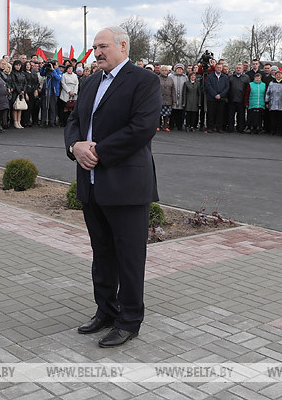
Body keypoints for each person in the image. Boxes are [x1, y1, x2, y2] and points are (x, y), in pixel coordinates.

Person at [64, 26, 160, 348]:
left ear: (122, 46)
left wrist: (97, 152)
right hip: (92, 184)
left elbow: (142, 128)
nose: (97, 52)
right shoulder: (90, 81)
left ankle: (130, 320)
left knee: (129, 257)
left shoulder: (143, 80)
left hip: (126, 185)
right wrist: (75, 146)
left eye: (103, 46)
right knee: (102, 253)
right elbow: (74, 121)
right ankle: (106, 310)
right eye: (94, 48)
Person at [204, 62, 229, 132]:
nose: (219, 69)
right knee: (211, 113)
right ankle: (210, 127)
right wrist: (215, 94)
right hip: (211, 98)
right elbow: (208, 86)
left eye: (220, 68)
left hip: (221, 98)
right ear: (215, 68)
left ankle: (219, 127)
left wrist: (220, 95)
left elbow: (227, 87)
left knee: (220, 113)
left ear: (222, 69)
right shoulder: (210, 76)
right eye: (217, 67)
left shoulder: (225, 77)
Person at [226, 63, 249, 133]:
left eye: (239, 68)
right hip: (231, 99)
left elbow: (247, 89)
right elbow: (227, 88)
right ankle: (230, 128)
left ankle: (240, 128)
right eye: (237, 68)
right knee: (230, 115)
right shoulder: (230, 77)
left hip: (241, 99)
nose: (238, 69)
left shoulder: (246, 77)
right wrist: (227, 97)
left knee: (241, 115)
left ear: (242, 69)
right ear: (235, 69)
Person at [265, 67, 282, 136]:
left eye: (280, 75)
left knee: (280, 118)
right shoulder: (271, 83)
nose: (278, 76)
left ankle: (279, 130)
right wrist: (267, 102)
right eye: (277, 75)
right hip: (273, 103)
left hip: (281, 104)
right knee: (272, 118)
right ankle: (272, 130)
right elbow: (268, 93)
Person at [158, 63, 176, 131]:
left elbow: (173, 90)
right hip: (159, 99)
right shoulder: (157, 78)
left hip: (168, 99)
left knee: (167, 114)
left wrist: (174, 100)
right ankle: (158, 126)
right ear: (160, 71)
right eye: (163, 70)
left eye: (166, 70)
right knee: (158, 114)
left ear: (168, 71)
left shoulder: (170, 79)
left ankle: (165, 126)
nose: (164, 72)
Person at [170, 64, 188, 130]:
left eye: (181, 69)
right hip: (173, 96)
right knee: (173, 112)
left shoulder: (185, 77)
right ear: (175, 69)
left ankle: (179, 125)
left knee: (180, 113)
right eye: (178, 69)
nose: (179, 70)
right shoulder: (171, 76)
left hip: (181, 97)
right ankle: (171, 125)